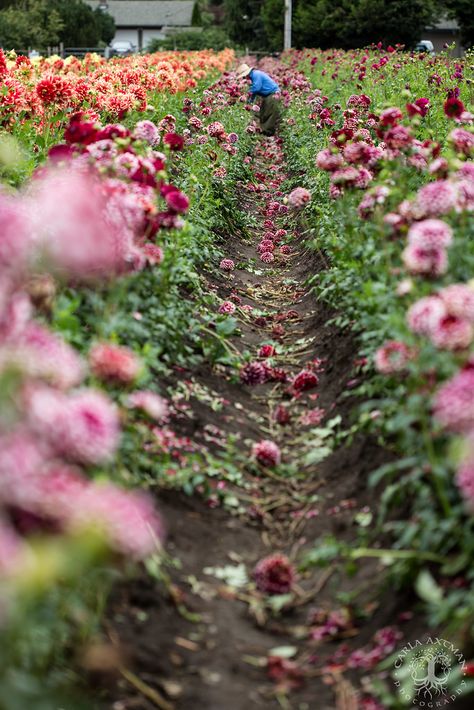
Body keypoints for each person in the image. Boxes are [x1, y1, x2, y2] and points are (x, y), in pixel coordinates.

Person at [236, 63, 281, 137]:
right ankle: (264, 130)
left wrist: (247, 94)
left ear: (246, 74)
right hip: (267, 95)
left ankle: (268, 132)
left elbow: (256, 88)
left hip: (273, 93)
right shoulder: (253, 76)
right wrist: (249, 101)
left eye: (244, 76)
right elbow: (254, 92)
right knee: (263, 112)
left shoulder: (256, 75)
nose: (244, 78)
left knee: (269, 112)